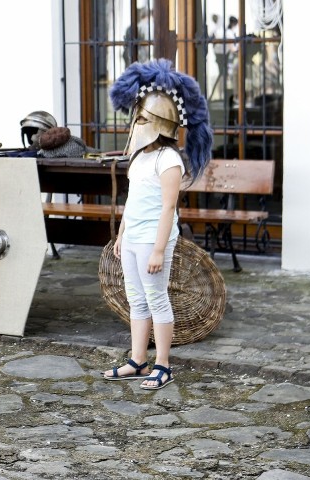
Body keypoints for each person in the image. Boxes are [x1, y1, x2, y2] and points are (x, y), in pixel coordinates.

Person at [102, 58, 212, 389]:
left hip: (154, 240)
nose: (136, 124)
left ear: (159, 123)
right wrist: (121, 234)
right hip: (134, 237)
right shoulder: (140, 157)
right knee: (136, 299)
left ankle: (163, 363)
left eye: (142, 118)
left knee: (157, 298)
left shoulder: (169, 160)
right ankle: (138, 359)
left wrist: (159, 250)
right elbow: (132, 201)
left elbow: (168, 209)